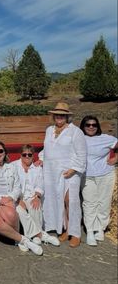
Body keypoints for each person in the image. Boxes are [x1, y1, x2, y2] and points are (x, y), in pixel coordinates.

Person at [0, 141, 42, 255]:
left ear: (5, 153)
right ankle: (23, 240)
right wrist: (1, 200)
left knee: (11, 215)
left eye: (0, 151)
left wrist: (10, 198)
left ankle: (16, 238)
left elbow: (17, 187)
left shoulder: (10, 167)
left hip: (6, 199)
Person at [39, 103, 86, 248]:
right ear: (53, 116)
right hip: (52, 172)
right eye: (57, 114)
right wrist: (40, 159)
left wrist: (74, 169)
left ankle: (76, 234)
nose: (59, 117)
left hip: (69, 173)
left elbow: (82, 154)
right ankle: (66, 229)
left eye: (62, 115)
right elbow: (47, 149)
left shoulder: (75, 132)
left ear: (67, 116)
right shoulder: (49, 130)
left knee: (70, 201)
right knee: (58, 200)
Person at [80, 116, 117, 246]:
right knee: (89, 203)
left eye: (94, 125)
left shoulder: (106, 138)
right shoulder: (78, 138)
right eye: (88, 125)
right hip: (86, 175)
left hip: (105, 174)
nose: (91, 127)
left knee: (104, 202)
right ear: (83, 126)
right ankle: (90, 231)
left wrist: (115, 158)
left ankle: (100, 228)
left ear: (98, 126)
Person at [12, 144, 60, 247]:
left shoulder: (37, 168)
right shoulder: (13, 166)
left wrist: (37, 196)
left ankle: (35, 237)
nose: (27, 156)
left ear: (33, 155)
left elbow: (40, 184)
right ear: (20, 155)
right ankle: (40, 235)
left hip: (31, 196)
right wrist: (18, 200)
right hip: (17, 197)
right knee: (20, 211)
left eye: (30, 154)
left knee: (35, 206)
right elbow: (10, 185)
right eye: (24, 154)